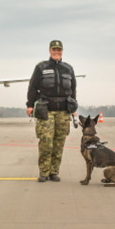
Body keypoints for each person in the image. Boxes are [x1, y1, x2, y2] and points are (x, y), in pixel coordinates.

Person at [26, 40, 77, 182]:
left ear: (62, 51)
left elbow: (73, 90)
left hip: (63, 112)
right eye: (54, 49)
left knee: (59, 143)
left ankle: (54, 171)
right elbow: (32, 87)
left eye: (59, 50)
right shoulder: (41, 67)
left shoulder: (68, 69)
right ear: (50, 50)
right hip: (46, 111)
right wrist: (30, 105)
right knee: (46, 142)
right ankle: (44, 172)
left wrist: (73, 108)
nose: (56, 52)